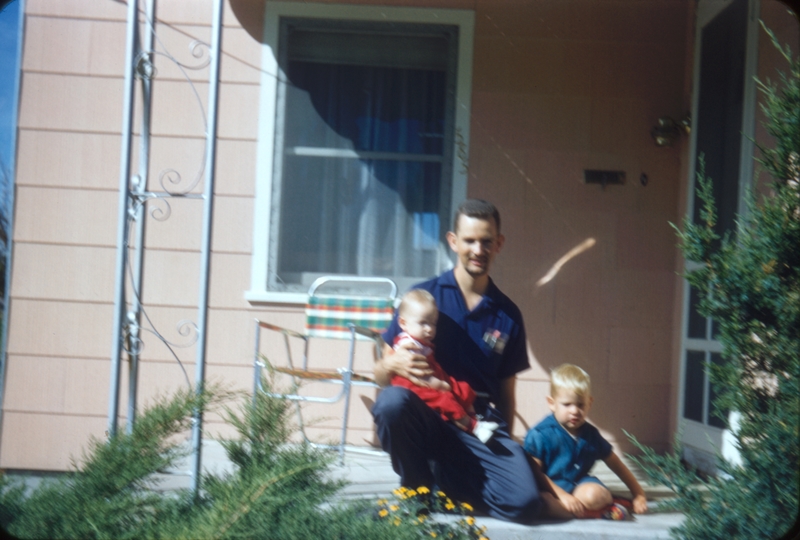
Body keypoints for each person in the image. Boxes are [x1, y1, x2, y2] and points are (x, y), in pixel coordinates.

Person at [371, 199, 542, 523]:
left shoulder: (508, 314)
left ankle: (448, 482)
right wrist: (390, 366)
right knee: (392, 402)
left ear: (499, 244)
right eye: (469, 240)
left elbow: (507, 395)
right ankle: (417, 487)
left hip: (476, 420)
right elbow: (381, 376)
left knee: (524, 503)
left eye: (487, 241)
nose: (478, 249)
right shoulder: (422, 299)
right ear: (453, 241)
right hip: (430, 418)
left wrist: (503, 446)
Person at [523, 364, 648, 520]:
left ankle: (594, 507)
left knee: (596, 495)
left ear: (590, 403)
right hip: (550, 489)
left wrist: (638, 494)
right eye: (567, 404)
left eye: (580, 405)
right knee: (540, 503)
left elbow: (616, 464)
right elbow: (535, 472)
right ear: (551, 403)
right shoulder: (540, 434)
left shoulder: (591, 434)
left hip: (579, 487)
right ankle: (599, 512)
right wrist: (562, 496)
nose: (575, 411)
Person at [392, 289, 500, 443]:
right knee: (447, 401)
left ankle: (476, 420)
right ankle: (473, 428)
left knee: (463, 389)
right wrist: (437, 383)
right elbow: (414, 373)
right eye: (423, 323)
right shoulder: (408, 345)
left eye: (433, 323)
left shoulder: (421, 342)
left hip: (434, 378)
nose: (429, 329)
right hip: (417, 387)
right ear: (403, 323)